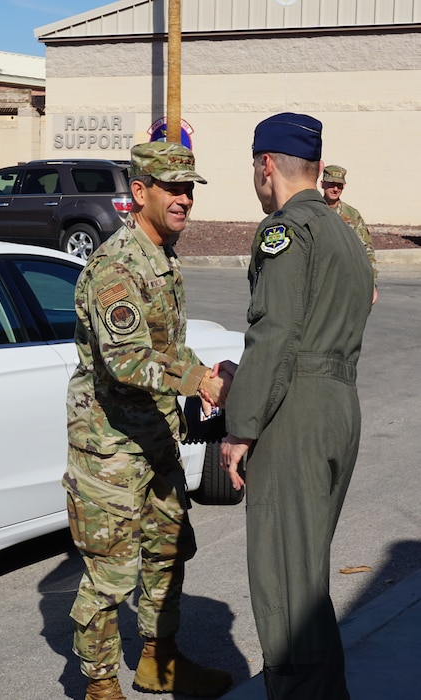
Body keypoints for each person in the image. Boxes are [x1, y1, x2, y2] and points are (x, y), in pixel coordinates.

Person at [63, 141, 233, 700]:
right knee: (109, 578)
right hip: (110, 449)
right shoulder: (116, 266)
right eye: (172, 188)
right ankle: (101, 686)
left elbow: (169, 347)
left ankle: (158, 664)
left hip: (156, 439)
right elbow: (129, 359)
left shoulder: (165, 257)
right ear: (140, 193)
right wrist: (200, 381)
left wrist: (204, 374)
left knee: (167, 554)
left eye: (189, 188)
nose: (184, 198)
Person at [219, 113, 373, 700]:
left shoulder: (286, 229)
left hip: (297, 413)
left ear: (266, 166)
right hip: (340, 406)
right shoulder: (342, 232)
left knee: (284, 589)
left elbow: (275, 333)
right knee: (306, 584)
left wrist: (241, 429)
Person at [321, 164, 378, 304]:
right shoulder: (312, 210)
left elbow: (366, 249)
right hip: (319, 281)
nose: (335, 189)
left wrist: (372, 283)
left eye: (339, 185)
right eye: (331, 184)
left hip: (345, 282)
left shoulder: (351, 215)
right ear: (322, 184)